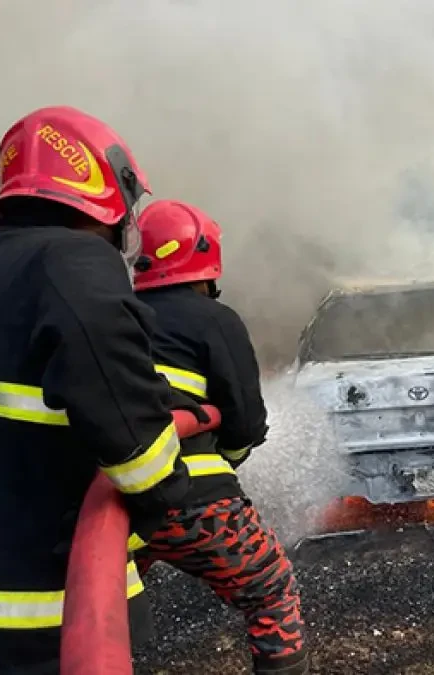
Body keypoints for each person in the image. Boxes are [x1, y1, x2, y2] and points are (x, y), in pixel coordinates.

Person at [0, 106, 194, 673]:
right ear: (108, 198)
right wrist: (168, 497)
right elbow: (128, 428)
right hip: (40, 604)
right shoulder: (76, 260)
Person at [132, 200, 308, 674]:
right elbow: (246, 423)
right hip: (194, 500)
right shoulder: (215, 320)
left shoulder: (114, 316)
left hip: (115, 505)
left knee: (102, 607)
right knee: (272, 592)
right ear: (205, 258)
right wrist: (230, 456)